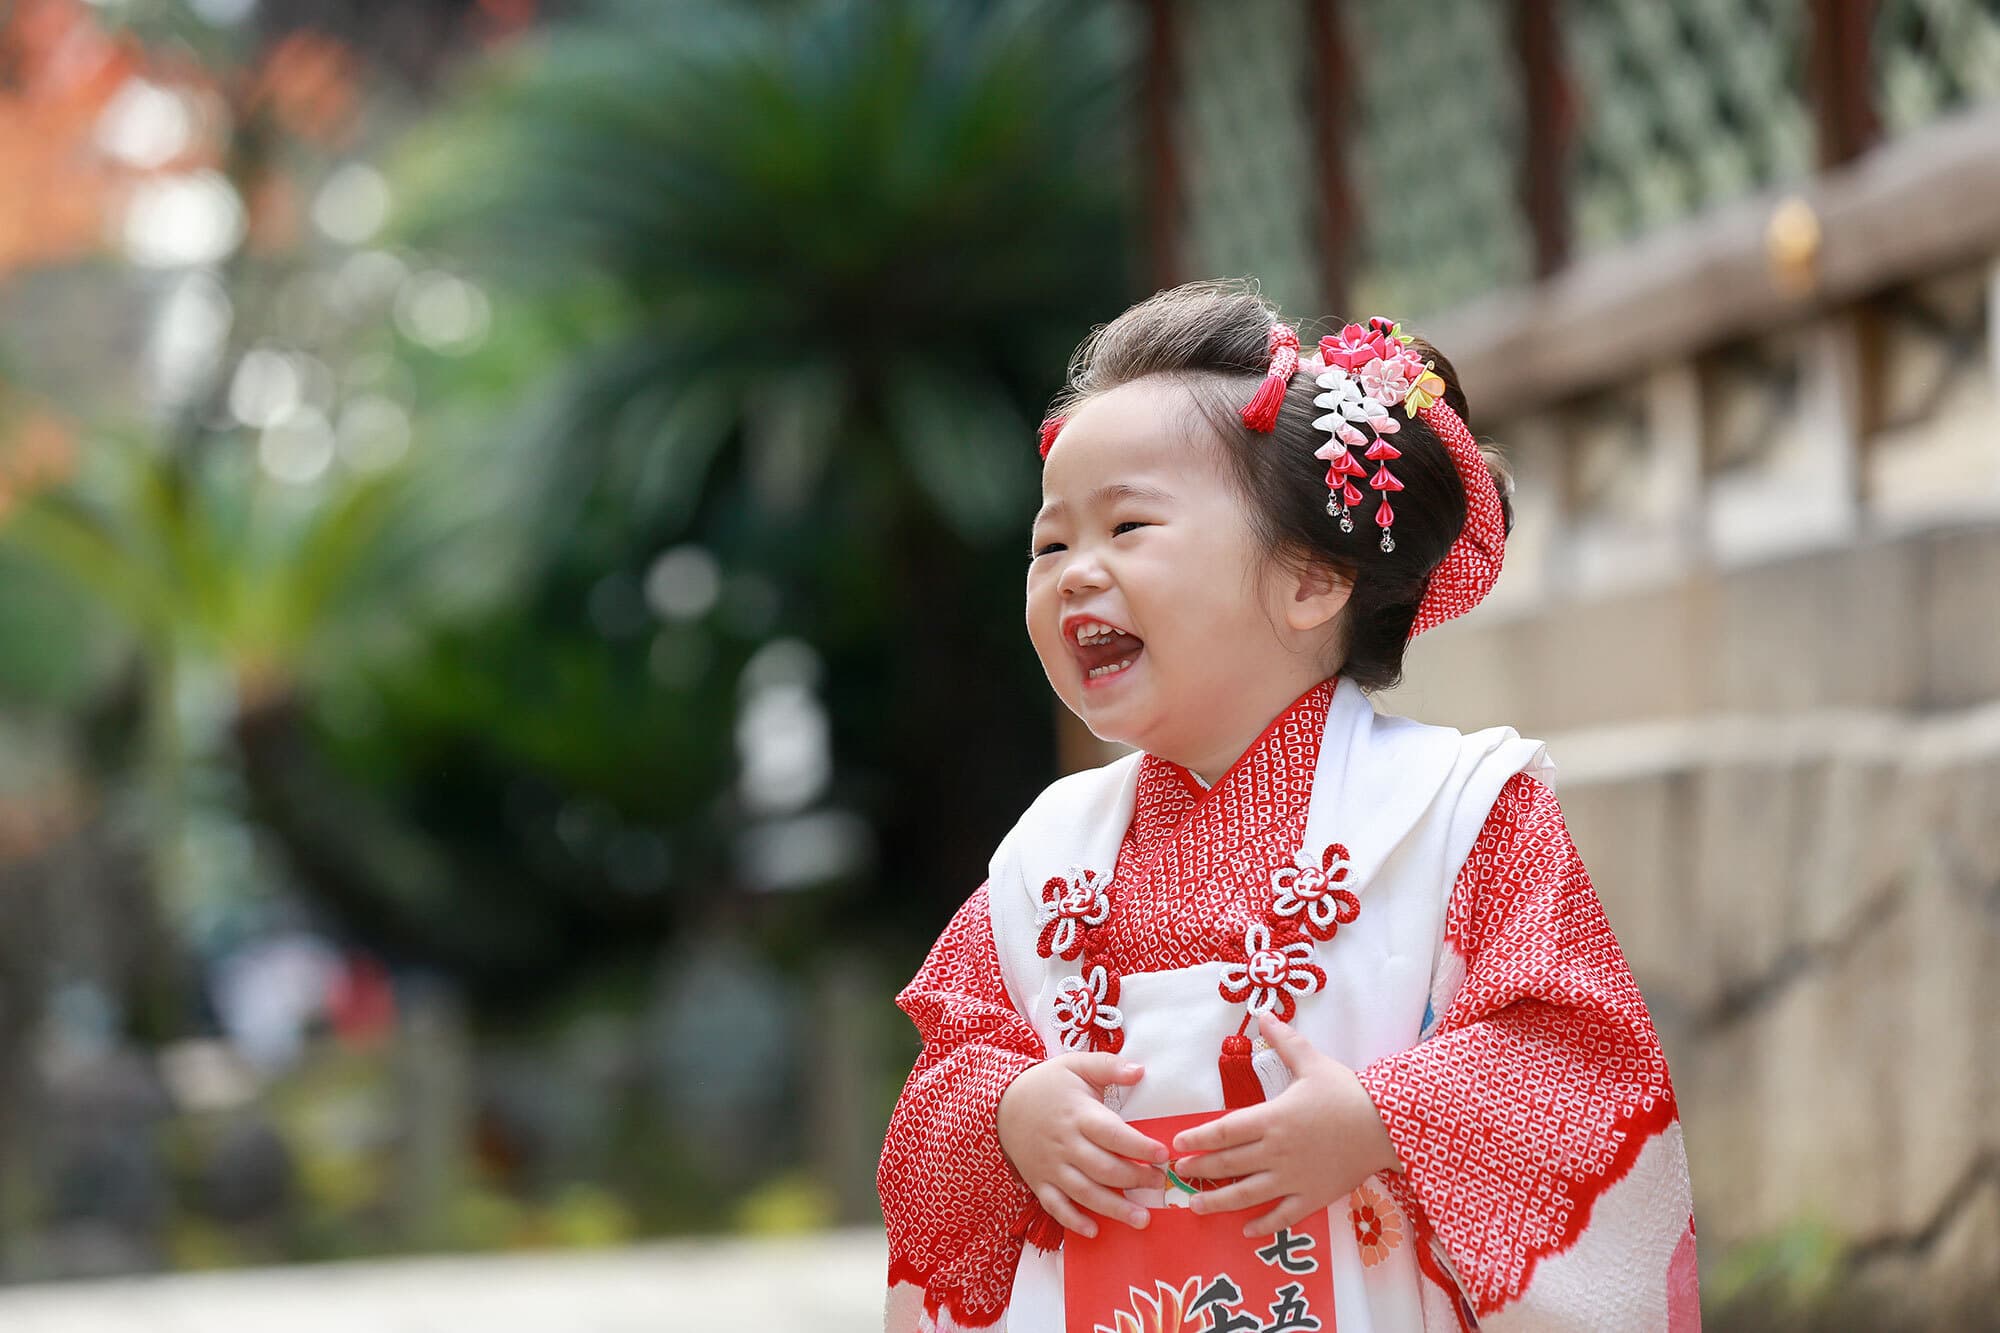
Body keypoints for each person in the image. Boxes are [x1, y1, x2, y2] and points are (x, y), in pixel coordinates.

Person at [878, 281, 1700, 1332]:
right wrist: (1005, 1113)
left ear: (1310, 579)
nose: (1075, 575)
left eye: (1127, 526)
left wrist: (1381, 1119)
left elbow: (1577, 1060)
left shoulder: (1454, 815)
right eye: (1049, 546)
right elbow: (951, 1067)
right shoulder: (1044, 858)